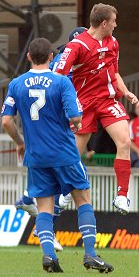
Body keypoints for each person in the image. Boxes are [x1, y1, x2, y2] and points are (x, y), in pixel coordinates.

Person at [1, 38, 113, 273]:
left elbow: (6, 121)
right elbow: (75, 118)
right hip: (64, 152)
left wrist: (21, 142)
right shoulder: (62, 82)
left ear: (29, 56)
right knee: (83, 199)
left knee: (44, 207)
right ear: (52, 58)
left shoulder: (16, 84)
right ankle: (91, 254)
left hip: (36, 156)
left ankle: (49, 255)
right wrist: (76, 122)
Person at [55, 3, 139, 214]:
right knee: (74, 152)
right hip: (83, 103)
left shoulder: (113, 43)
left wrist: (126, 92)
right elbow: (58, 77)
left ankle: (122, 196)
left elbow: (115, 72)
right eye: (113, 21)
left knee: (125, 141)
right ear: (104, 23)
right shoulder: (76, 46)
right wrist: (65, 104)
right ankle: (65, 189)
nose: (115, 25)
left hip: (108, 100)